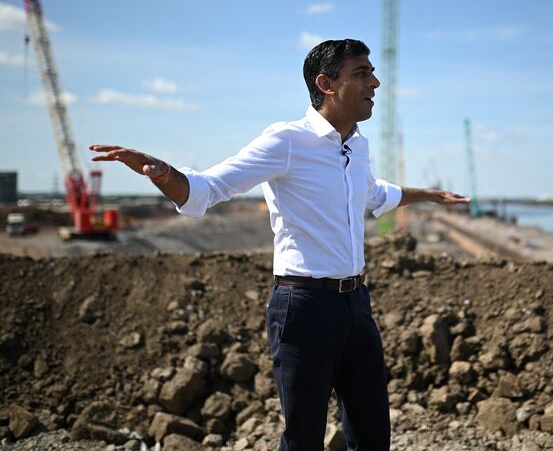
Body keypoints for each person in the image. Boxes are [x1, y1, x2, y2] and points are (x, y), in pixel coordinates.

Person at [90, 38, 470, 450]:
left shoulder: (355, 145)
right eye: (362, 73)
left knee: (373, 434)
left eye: (371, 72)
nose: (374, 82)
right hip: (304, 307)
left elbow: (375, 193)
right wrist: (163, 174)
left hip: (356, 303)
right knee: (304, 437)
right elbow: (208, 188)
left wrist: (430, 195)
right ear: (326, 84)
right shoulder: (287, 140)